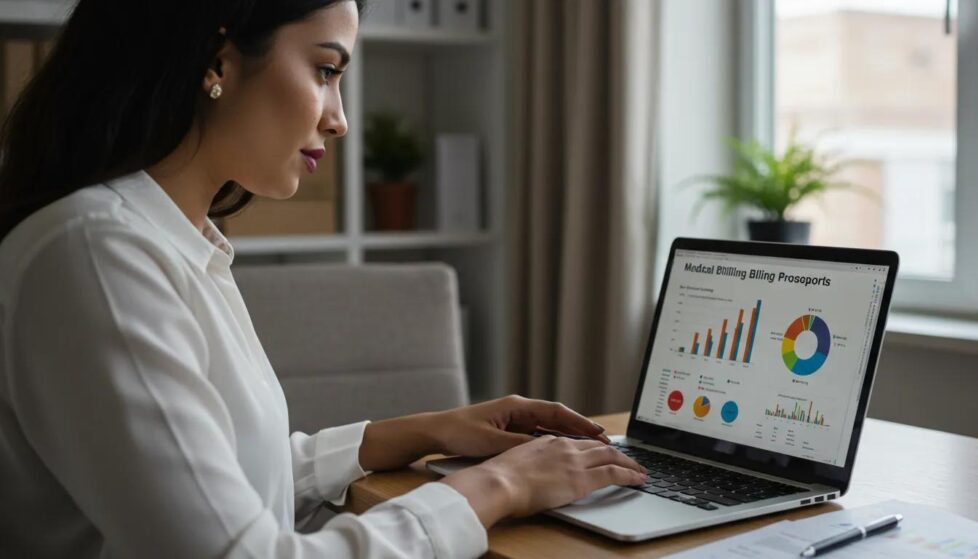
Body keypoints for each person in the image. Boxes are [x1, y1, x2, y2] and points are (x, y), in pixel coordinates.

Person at [0, 1, 647, 557]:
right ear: (217, 59)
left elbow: (225, 480)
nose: (338, 118)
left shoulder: (168, 243)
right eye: (326, 70)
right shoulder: (97, 255)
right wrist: (500, 485)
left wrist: (428, 430)